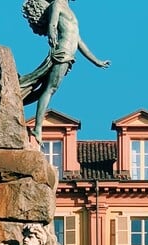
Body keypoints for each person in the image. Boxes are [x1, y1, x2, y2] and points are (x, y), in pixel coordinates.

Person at [20, 0, 110, 143]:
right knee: (49, 89)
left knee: (45, 89)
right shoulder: (56, 4)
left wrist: (96, 61)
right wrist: (51, 34)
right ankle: (37, 128)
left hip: (68, 54)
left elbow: (79, 41)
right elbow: (52, 24)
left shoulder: (68, 10)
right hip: (63, 51)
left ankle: (19, 101)